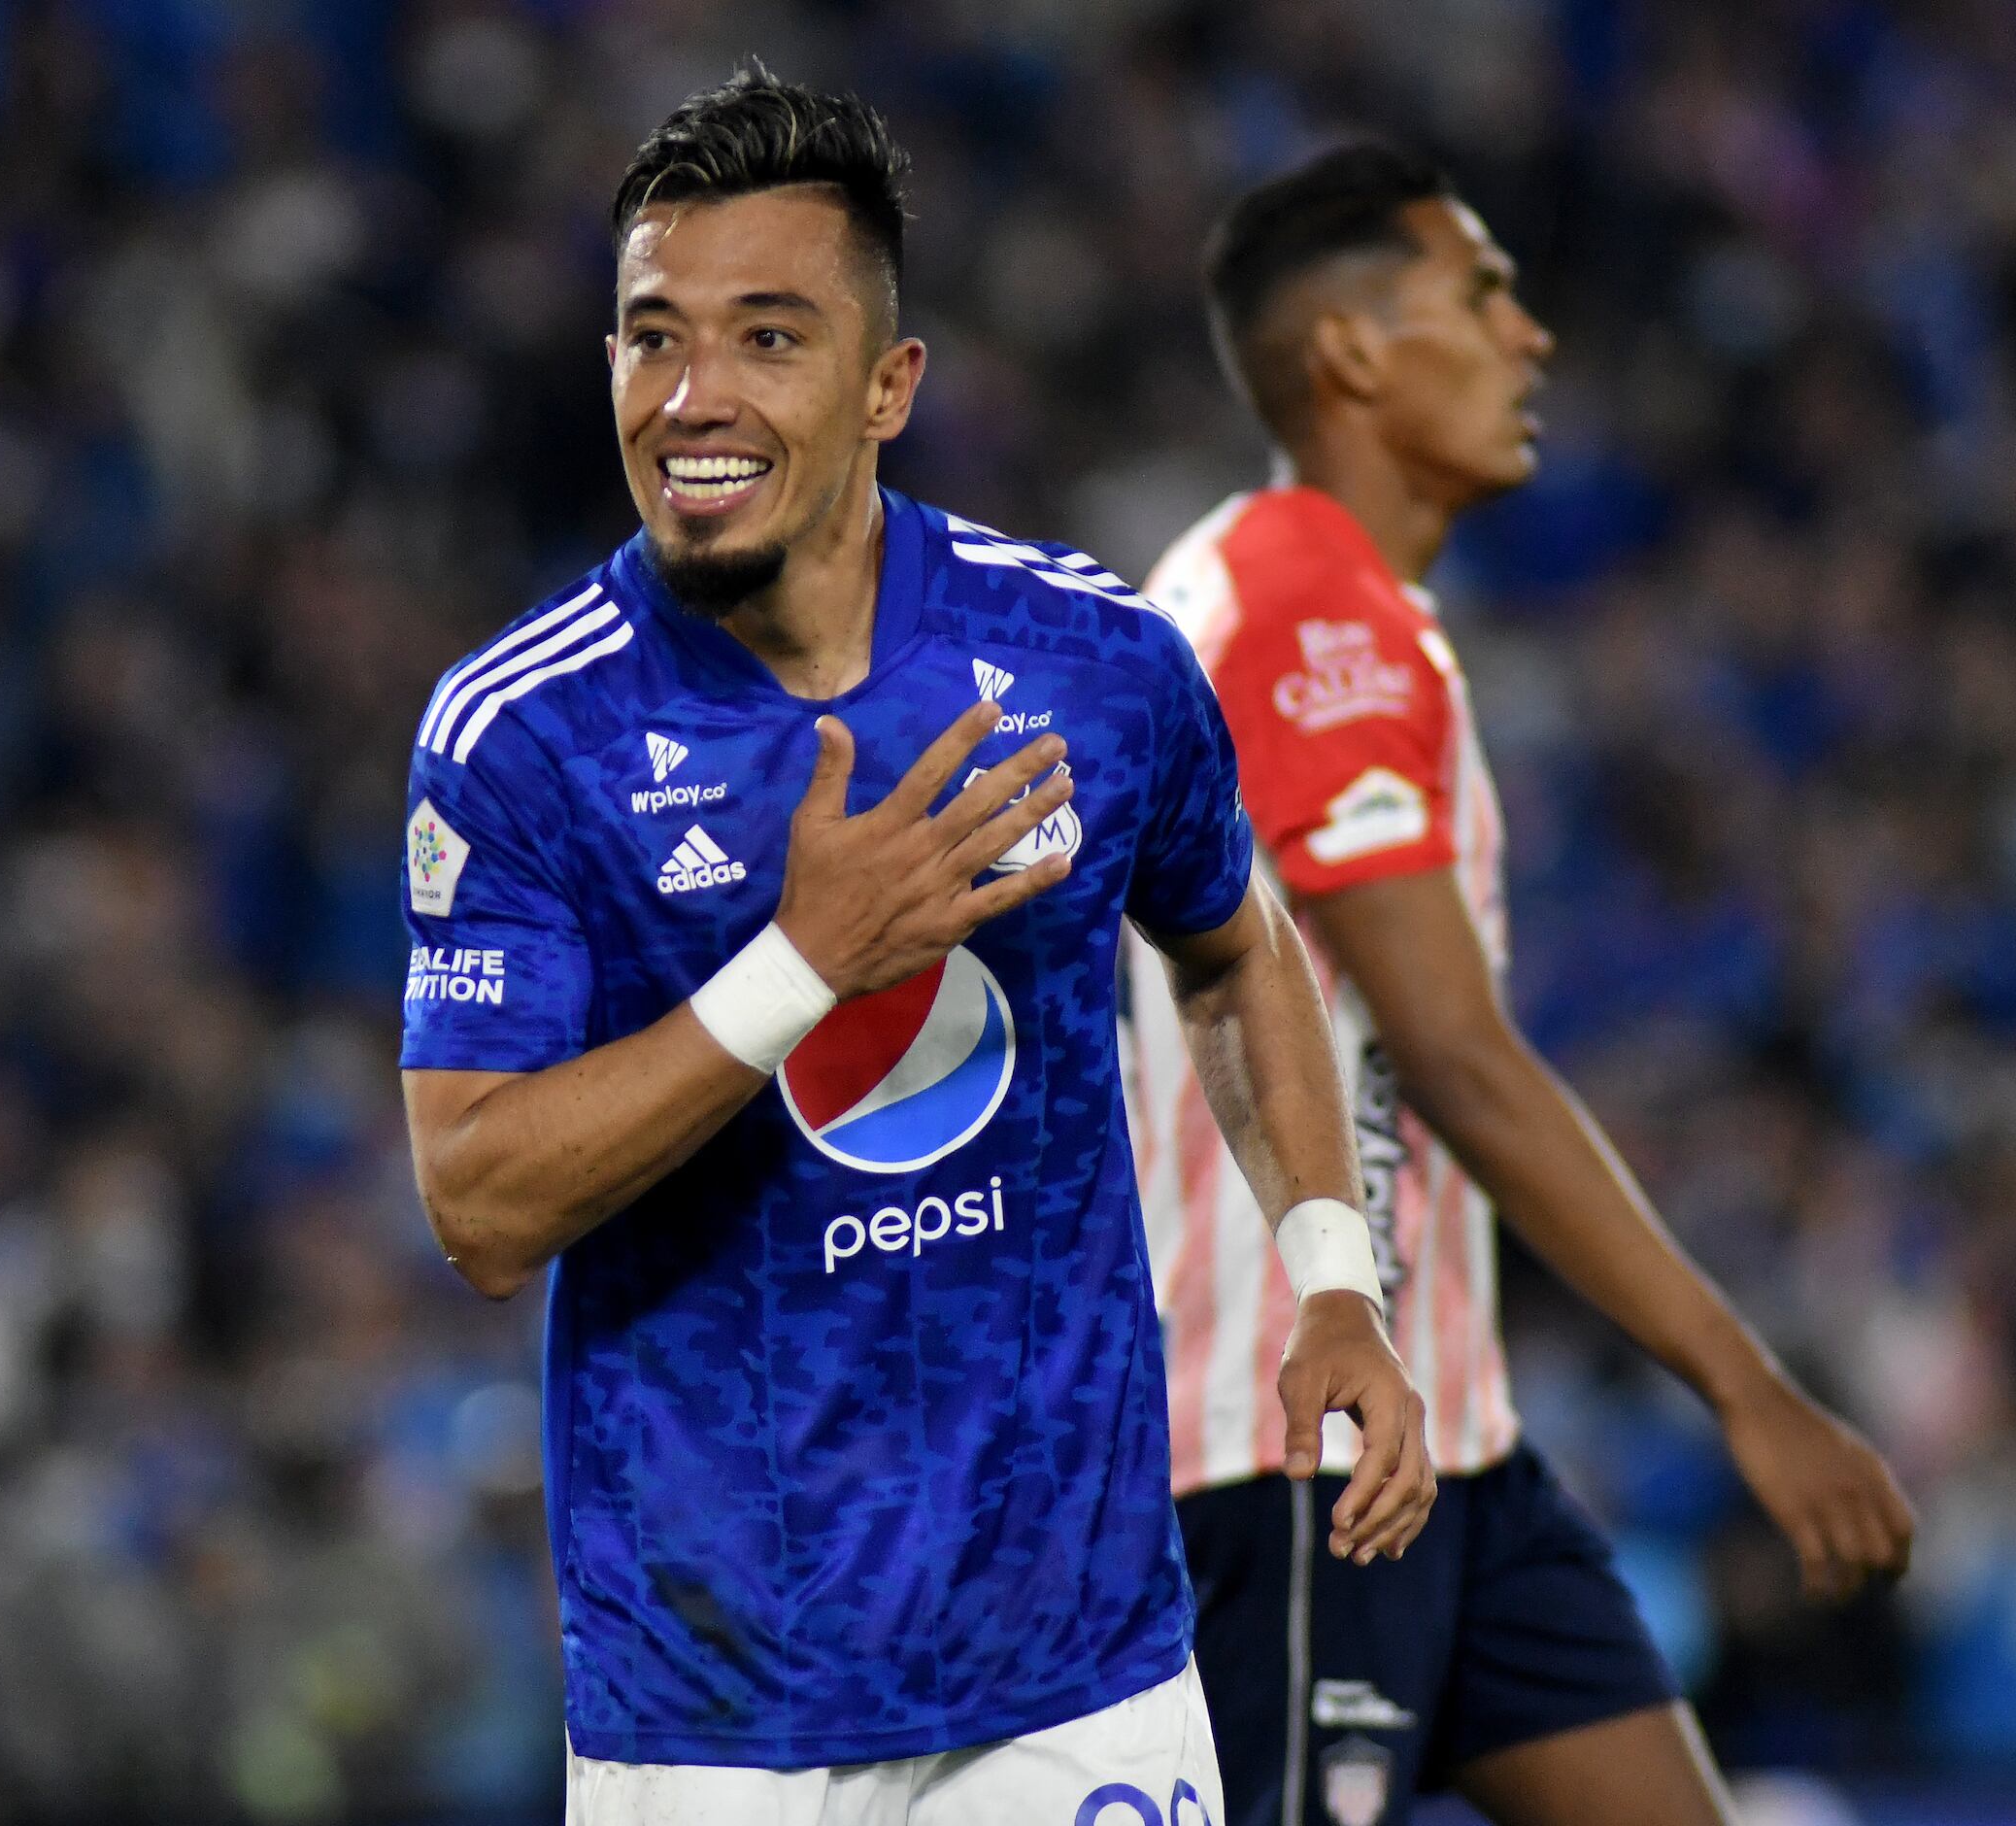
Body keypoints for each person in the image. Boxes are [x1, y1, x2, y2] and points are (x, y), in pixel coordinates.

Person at [396, 73, 1436, 1826]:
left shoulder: (1098, 666)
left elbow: (1234, 947)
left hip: (1070, 1679)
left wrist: (1333, 1270)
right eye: (651, 339)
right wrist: (802, 965)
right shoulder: (523, 735)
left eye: (767, 339)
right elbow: (481, 1203)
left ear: (891, 389)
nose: (692, 397)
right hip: (707, 1715)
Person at [1122, 144, 1917, 1826]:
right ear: (1349, 353)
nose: (1531, 337)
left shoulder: (1341, 608)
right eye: (1482, 294)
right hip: (1283, 1448)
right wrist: (1745, 1387)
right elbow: (1457, 1061)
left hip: (1454, 1449)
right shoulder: (1292, 609)